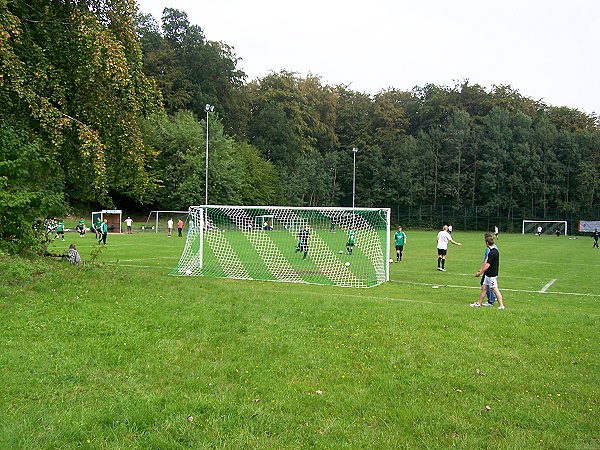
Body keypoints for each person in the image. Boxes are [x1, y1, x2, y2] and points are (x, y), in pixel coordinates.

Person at [470, 236, 505, 309]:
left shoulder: (492, 252)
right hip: (488, 275)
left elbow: (487, 265)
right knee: (484, 288)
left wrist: (480, 273)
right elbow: (486, 261)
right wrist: (481, 270)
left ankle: (501, 305)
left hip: (491, 275)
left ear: (487, 243)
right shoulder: (494, 250)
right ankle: (478, 303)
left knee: (495, 289)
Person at [480, 233, 497, 306]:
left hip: (489, 270)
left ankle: (491, 300)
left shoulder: (490, 249)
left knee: (489, 286)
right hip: (490, 269)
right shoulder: (494, 247)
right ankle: (480, 302)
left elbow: (487, 260)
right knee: (485, 285)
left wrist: (481, 270)